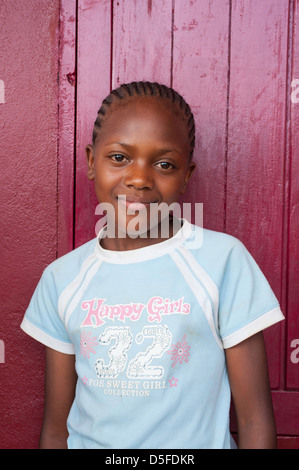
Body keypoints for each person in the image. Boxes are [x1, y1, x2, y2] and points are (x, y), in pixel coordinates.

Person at [21, 81, 284, 449]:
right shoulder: (62, 279)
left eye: (164, 164)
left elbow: (255, 420)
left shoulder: (222, 261)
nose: (140, 179)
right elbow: (55, 429)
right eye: (119, 157)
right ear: (90, 161)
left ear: (186, 175)